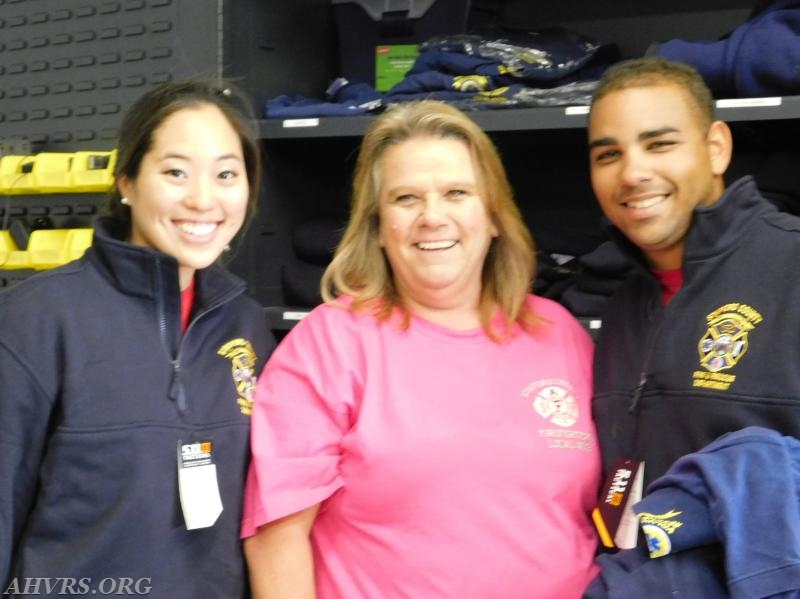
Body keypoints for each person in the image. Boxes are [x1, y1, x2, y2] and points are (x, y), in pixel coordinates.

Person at [242, 100, 601, 598]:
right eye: (406, 198)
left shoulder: (559, 333)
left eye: (457, 193)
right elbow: (277, 538)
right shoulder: (330, 343)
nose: (433, 216)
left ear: (494, 217)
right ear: (378, 227)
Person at [0, 79, 275, 597]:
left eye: (226, 175)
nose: (202, 199)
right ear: (126, 180)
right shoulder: (34, 320)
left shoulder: (247, 325)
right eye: (175, 172)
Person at [587, 56, 800, 490]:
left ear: (716, 148)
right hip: (632, 558)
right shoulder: (625, 304)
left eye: (660, 144)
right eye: (609, 154)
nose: (632, 173)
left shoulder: (792, 265)